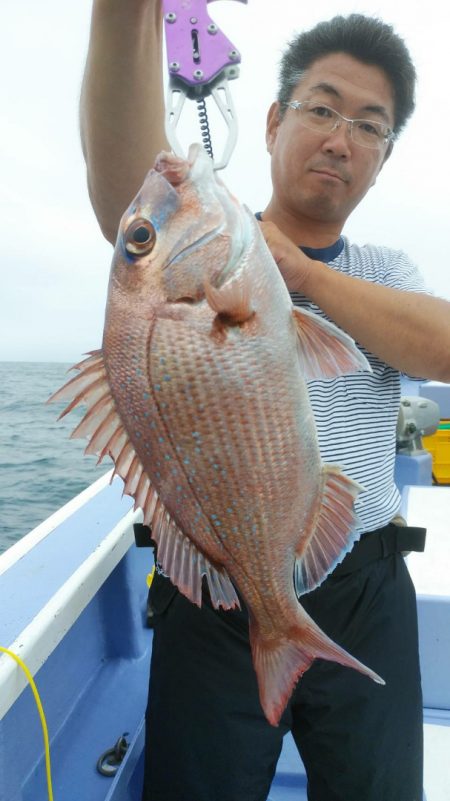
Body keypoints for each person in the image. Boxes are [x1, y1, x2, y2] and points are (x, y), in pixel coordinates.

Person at [80, 6, 450, 800]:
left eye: (369, 126)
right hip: (212, 587)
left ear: (383, 160)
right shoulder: (203, 235)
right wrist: (124, 17)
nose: (340, 138)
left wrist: (306, 277)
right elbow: (127, 191)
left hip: (367, 589)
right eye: (321, 108)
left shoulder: (383, 273)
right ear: (275, 120)